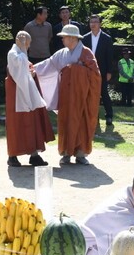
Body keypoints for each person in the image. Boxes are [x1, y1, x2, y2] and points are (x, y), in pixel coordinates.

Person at [34, 24, 101, 165]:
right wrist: (33, 70)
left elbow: (95, 75)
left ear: (72, 38)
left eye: (64, 37)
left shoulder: (86, 53)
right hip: (65, 95)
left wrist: (76, 70)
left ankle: (81, 154)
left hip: (82, 97)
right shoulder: (62, 53)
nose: (62, 39)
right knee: (65, 122)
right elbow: (48, 64)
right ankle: (65, 153)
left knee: (81, 123)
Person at [4, 30, 52, 167]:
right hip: (17, 95)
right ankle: (12, 155)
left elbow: (25, 69)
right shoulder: (13, 54)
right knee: (16, 123)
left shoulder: (20, 54)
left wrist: (32, 73)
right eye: (27, 44)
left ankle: (34, 154)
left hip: (27, 92)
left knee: (32, 121)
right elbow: (19, 73)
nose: (29, 47)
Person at [83, 15, 118, 129]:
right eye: (91, 22)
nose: (93, 24)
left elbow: (110, 56)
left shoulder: (106, 38)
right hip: (88, 70)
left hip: (102, 70)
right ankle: (94, 117)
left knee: (103, 92)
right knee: (90, 93)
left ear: (100, 24)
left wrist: (109, 71)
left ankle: (109, 115)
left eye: (95, 22)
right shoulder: (85, 38)